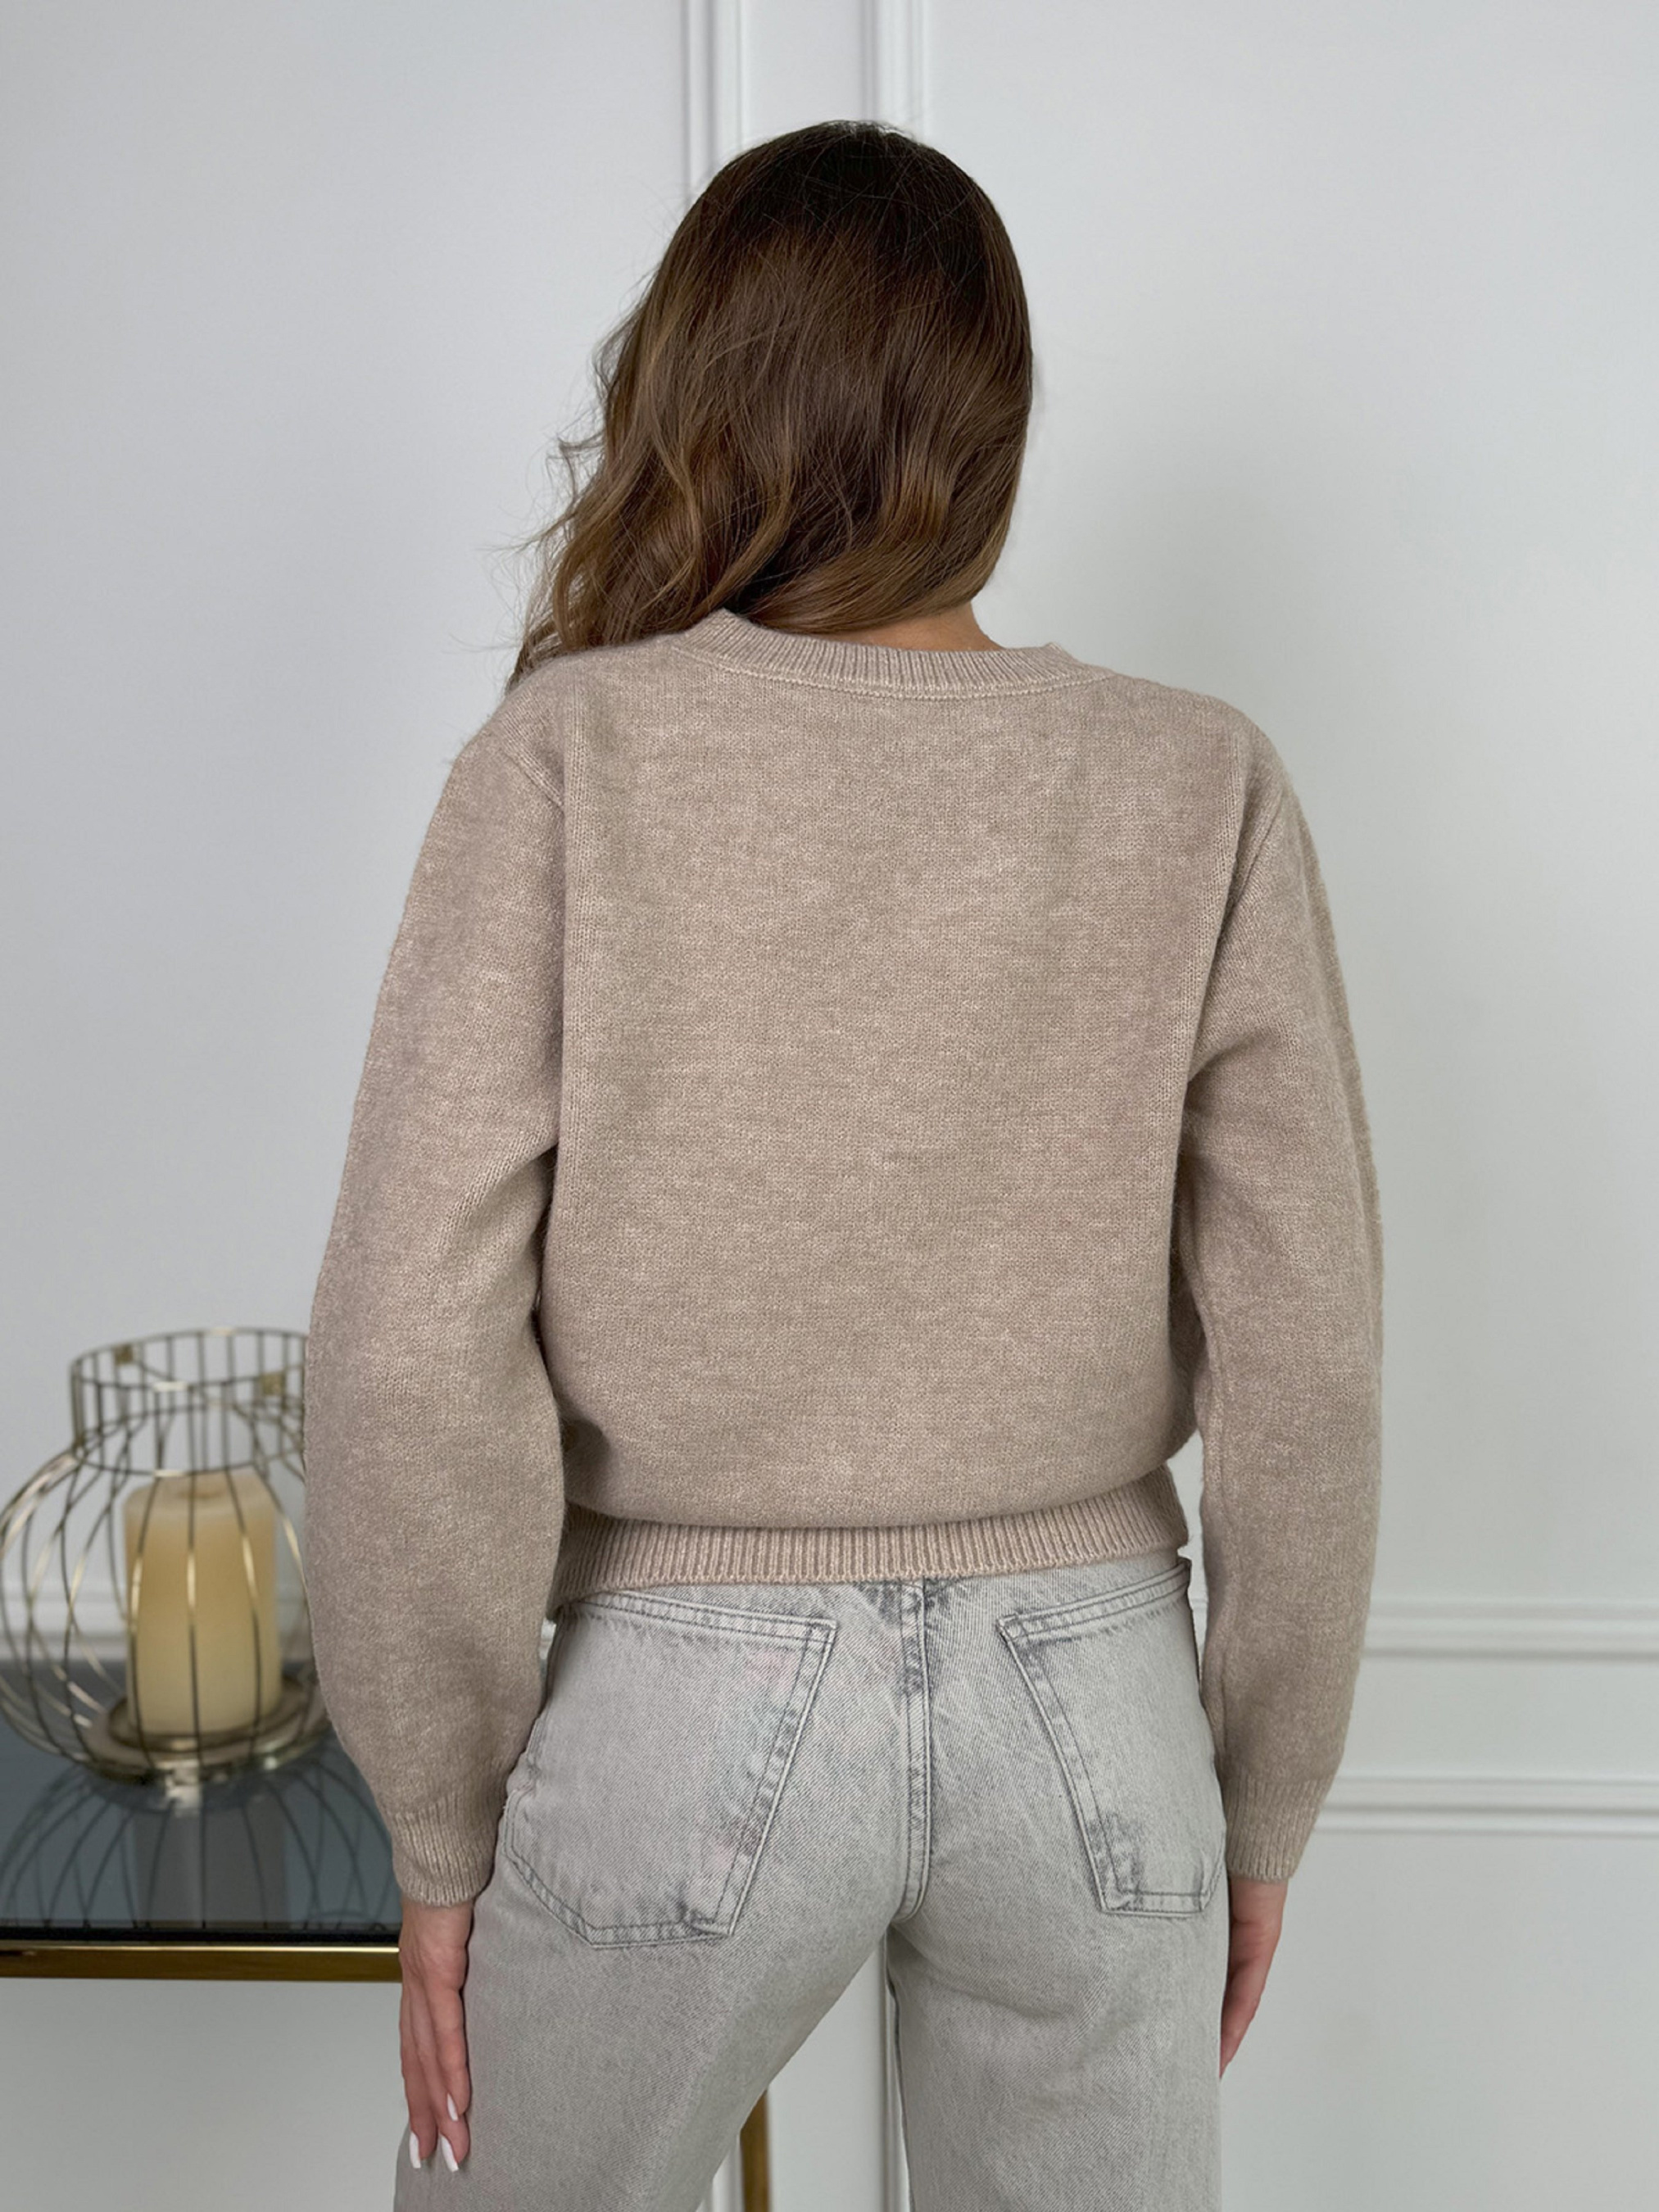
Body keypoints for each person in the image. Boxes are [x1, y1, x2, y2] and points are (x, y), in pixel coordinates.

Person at [302, 118, 1383, 2212]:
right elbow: (1306, 1349)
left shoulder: (567, 760)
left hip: (684, 1683)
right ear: (990, 424)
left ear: (700, 397)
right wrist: (1261, 1798)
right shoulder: (1198, 781)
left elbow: (408, 1334)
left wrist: (433, 1817)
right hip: (1092, 1696)